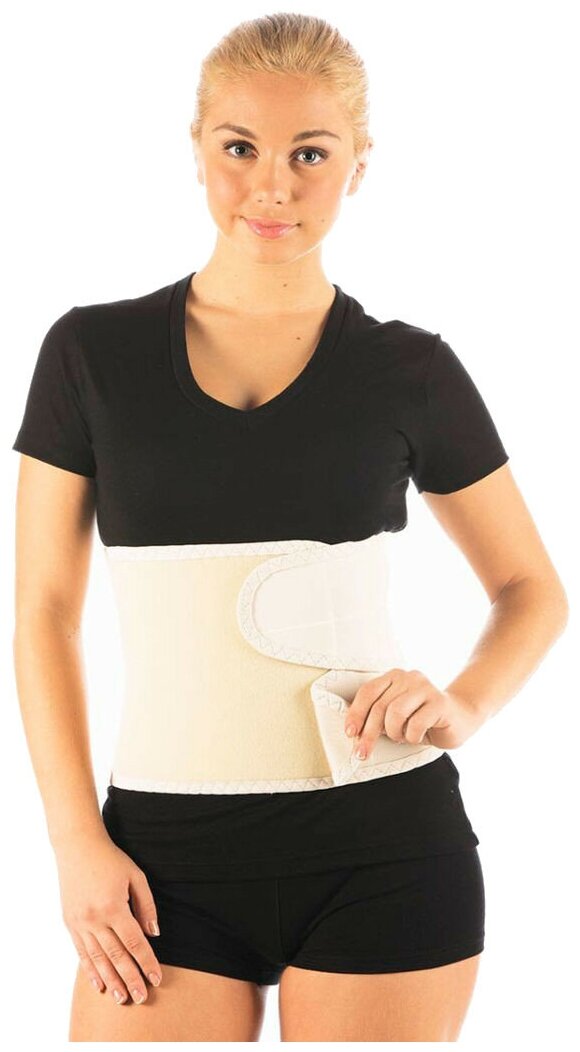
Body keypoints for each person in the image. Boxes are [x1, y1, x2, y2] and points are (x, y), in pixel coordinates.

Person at [11, 11, 568, 1043]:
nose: (272, 186)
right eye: (241, 148)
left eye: (310, 153)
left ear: (359, 164)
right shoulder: (91, 355)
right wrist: (73, 840)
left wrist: (462, 704)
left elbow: (532, 589)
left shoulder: (410, 368)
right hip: (159, 859)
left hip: (383, 847)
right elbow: (44, 610)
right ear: (197, 150)